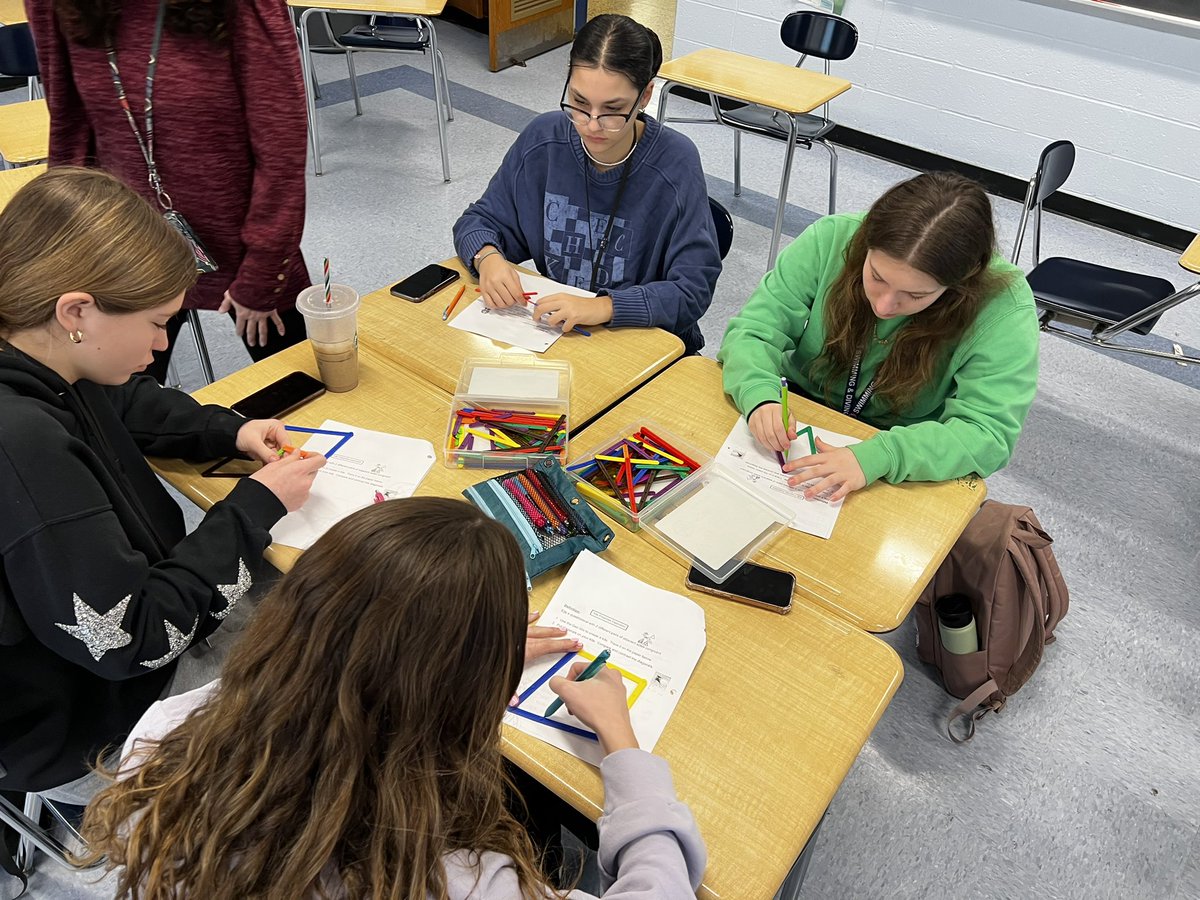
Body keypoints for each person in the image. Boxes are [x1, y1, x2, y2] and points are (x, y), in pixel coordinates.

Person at [81, 498, 707, 899]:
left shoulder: (167, 733)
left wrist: (454, 653)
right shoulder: (453, 877)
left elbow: (346, 664)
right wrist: (623, 749)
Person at [0, 168, 325, 801]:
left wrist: (228, 431)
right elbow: (136, 638)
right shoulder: (23, 447)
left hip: (97, 656)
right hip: (96, 720)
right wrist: (252, 509)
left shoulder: (35, 345)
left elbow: (120, 401)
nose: (159, 345)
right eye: (155, 323)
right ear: (77, 312)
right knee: (352, 644)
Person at [26, 0, 312, 380]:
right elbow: (69, 130)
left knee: (299, 388)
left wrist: (265, 269)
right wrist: (69, 250)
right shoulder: (57, 6)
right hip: (125, 243)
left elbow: (282, 149)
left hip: (246, 239)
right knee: (119, 404)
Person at [718, 172, 1040, 501]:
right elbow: (754, 330)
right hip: (798, 408)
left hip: (905, 446)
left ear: (962, 281)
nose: (884, 305)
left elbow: (987, 433)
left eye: (916, 295)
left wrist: (882, 456)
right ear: (866, 241)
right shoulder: (831, 239)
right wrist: (760, 393)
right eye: (876, 276)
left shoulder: (1004, 307)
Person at [453, 14, 721, 356]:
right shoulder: (544, 140)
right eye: (579, 103)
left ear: (645, 96)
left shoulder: (675, 162)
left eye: (613, 110)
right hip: (558, 340)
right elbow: (478, 220)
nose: (592, 125)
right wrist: (488, 257)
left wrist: (604, 307)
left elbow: (692, 290)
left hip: (644, 349)